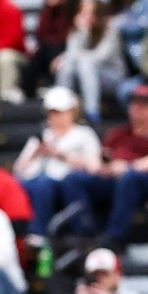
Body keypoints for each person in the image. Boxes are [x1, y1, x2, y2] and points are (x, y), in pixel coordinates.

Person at [63, 87, 148, 247]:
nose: (138, 109)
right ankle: (85, 231)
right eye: (134, 105)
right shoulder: (119, 133)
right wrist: (103, 167)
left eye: (144, 105)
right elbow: (100, 157)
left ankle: (113, 238)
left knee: (129, 178)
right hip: (114, 177)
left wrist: (129, 167)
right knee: (73, 179)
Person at [16, 87, 104, 238]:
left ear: (72, 112)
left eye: (60, 112)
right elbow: (19, 171)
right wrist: (36, 153)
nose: (55, 117)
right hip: (37, 182)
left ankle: (39, 234)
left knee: (46, 184)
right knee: (31, 184)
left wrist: (60, 155)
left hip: (66, 182)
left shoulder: (84, 134)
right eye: (52, 113)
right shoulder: (41, 137)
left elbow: (94, 167)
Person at [55, 0, 126, 123]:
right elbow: (70, 58)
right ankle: (61, 108)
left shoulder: (111, 32)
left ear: (97, 15)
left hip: (112, 77)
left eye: (88, 13)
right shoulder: (77, 33)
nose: (84, 16)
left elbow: (99, 57)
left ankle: (91, 112)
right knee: (65, 67)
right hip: (86, 75)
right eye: (82, 12)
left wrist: (68, 56)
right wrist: (83, 32)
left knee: (85, 64)